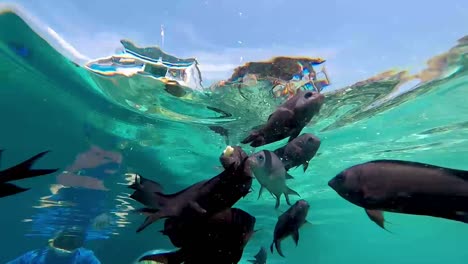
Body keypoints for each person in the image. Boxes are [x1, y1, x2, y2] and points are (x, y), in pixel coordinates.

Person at [8, 145, 124, 263]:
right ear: (52, 239)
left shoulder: (85, 257)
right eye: (63, 241)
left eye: (74, 243)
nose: (67, 248)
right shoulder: (33, 257)